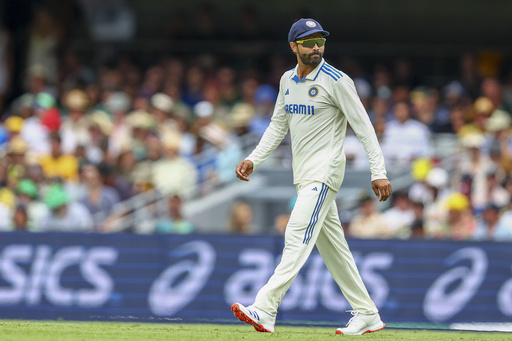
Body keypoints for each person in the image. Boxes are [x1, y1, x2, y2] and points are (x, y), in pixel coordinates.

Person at [231, 18, 392, 336]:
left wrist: (379, 171)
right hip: (303, 175)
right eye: (309, 41)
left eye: (320, 40)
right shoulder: (287, 81)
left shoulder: (337, 80)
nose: (316, 46)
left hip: (325, 171)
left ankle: (265, 307)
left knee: (296, 235)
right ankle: (367, 313)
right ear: (294, 47)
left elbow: (363, 127)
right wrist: (254, 159)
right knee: (334, 249)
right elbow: (278, 125)